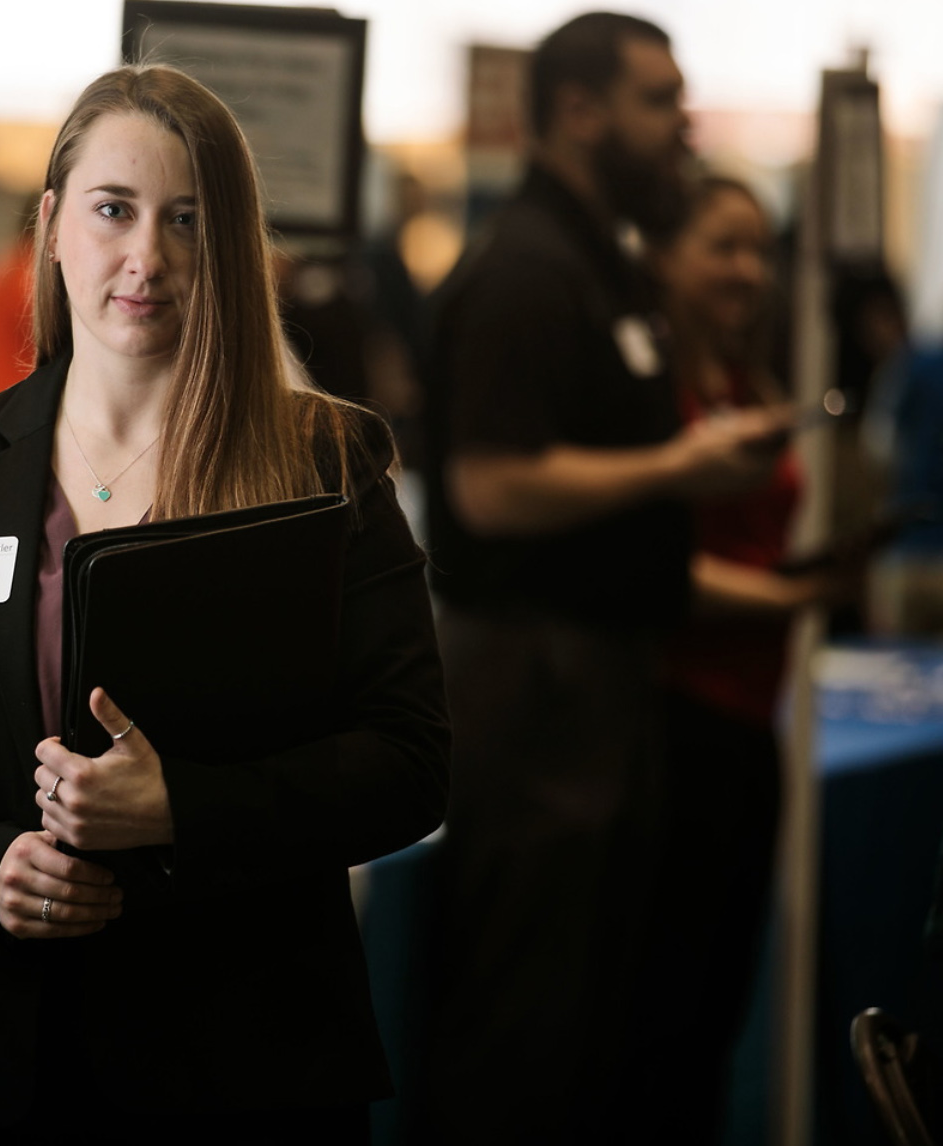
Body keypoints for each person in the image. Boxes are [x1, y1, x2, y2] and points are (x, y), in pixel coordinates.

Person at [0, 65, 449, 1144]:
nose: (145, 257)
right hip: (5, 1050)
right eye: (115, 210)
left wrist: (180, 808)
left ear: (232, 250)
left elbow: (409, 765)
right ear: (55, 225)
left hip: (246, 1055)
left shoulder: (324, 463)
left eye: (187, 221)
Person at [418, 14, 791, 1144]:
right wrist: (680, 464)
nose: (682, 122)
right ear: (579, 111)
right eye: (657, 98)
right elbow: (487, 488)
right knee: (528, 1039)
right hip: (536, 701)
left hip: (606, 698)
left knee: (595, 1034)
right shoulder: (529, 267)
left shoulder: (601, 258)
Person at [646, 175, 858, 1140]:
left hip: (750, 718)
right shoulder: (654, 392)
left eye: (758, 250)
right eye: (722, 247)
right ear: (665, 257)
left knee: (717, 1006)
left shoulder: (751, 377)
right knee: (665, 1014)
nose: (748, 271)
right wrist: (782, 597)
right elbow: (640, 564)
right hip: (670, 725)